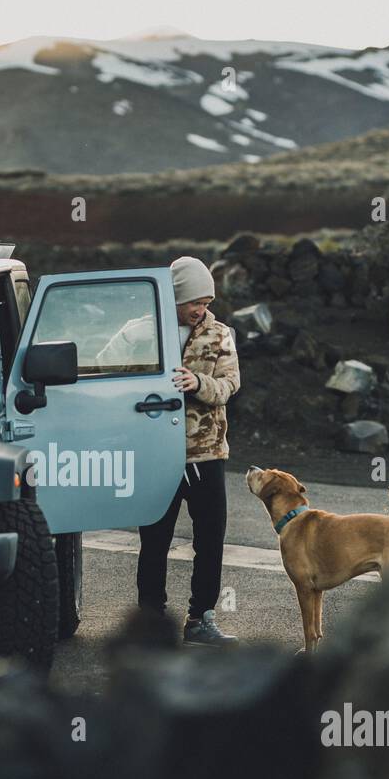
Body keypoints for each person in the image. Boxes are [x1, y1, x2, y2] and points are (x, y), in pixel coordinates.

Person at [137, 256, 240, 643]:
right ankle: (150, 624)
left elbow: (229, 385)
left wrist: (197, 382)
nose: (200, 309)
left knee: (210, 540)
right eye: (193, 301)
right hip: (157, 452)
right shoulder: (144, 330)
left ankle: (200, 620)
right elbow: (108, 369)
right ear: (174, 296)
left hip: (207, 456)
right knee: (154, 540)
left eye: (207, 302)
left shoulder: (220, 335)